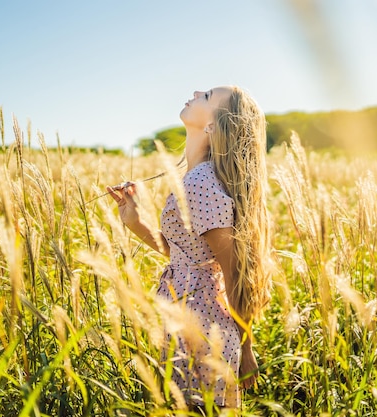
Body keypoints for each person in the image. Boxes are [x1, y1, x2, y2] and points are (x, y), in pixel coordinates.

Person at [107, 86, 273, 410]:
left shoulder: (202, 182)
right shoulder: (196, 178)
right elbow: (187, 256)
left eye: (208, 96)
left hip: (202, 325)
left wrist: (246, 349)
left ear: (213, 126)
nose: (197, 91)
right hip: (187, 316)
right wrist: (136, 222)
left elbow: (234, 272)